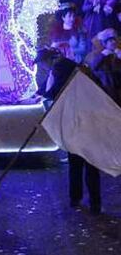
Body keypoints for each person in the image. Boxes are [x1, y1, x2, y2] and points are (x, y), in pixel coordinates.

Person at [45, 59, 101, 215]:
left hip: (76, 130)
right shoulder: (86, 80)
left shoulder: (65, 82)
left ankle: (76, 198)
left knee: (78, 166)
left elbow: (51, 95)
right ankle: (93, 202)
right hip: (89, 129)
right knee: (89, 168)